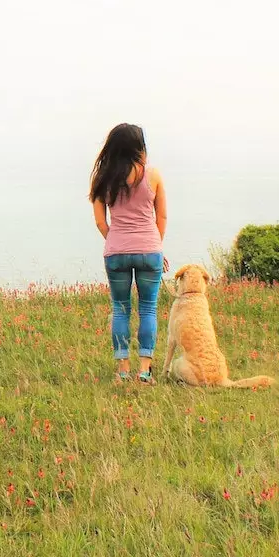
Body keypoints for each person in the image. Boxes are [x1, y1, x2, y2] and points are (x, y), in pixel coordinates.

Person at [89, 123, 168, 383]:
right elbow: (162, 216)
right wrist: (154, 244)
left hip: (116, 253)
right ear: (138, 147)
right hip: (149, 250)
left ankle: (123, 372)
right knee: (148, 309)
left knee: (121, 309)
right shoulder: (153, 175)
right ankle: (144, 372)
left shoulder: (103, 178)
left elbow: (101, 222)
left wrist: (116, 240)